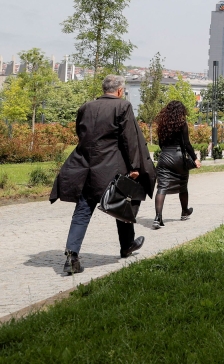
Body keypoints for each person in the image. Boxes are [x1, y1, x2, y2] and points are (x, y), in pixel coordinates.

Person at [50, 75, 156, 274]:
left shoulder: (86, 107)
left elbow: (81, 133)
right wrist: (135, 167)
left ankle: (72, 255)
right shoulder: (123, 106)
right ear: (119, 91)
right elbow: (129, 139)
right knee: (122, 203)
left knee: (83, 210)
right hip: (112, 166)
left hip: (86, 167)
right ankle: (126, 246)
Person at [151, 100, 200, 229]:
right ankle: (184, 211)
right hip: (179, 158)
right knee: (183, 185)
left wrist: (166, 152)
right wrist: (195, 158)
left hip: (164, 157)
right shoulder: (182, 124)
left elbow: (161, 144)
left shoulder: (162, 124)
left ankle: (157, 217)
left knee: (162, 187)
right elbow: (186, 144)